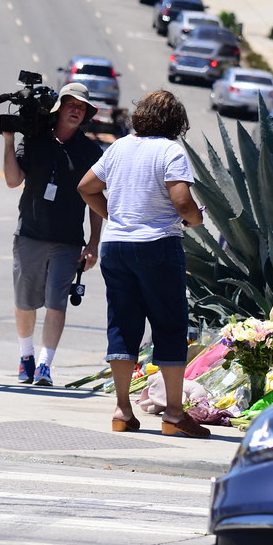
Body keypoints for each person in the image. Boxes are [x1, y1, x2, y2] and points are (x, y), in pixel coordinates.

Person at [77, 90, 210, 438]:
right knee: (169, 324)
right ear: (175, 122)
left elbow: (86, 187)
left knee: (122, 323)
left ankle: (122, 410)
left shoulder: (119, 147)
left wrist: (114, 216)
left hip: (116, 245)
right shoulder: (170, 151)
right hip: (157, 245)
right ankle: (175, 415)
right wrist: (195, 220)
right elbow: (182, 201)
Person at [1, 82, 103, 387]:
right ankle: (26, 357)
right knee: (25, 303)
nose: (76, 110)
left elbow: (96, 202)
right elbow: (12, 179)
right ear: (59, 108)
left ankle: (45, 366)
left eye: (81, 107)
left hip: (68, 241)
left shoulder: (90, 151)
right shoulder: (34, 141)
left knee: (56, 302)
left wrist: (94, 243)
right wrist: (9, 139)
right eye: (71, 104)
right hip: (30, 235)